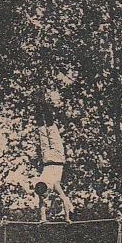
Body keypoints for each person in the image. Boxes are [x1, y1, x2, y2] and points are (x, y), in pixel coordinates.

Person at [32, 92, 73, 223]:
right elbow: (42, 204)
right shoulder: (40, 184)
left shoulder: (53, 184)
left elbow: (64, 199)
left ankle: (41, 104)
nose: (45, 197)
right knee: (43, 132)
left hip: (56, 157)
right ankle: (39, 105)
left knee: (50, 129)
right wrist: (43, 219)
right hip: (46, 159)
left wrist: (67, 218)